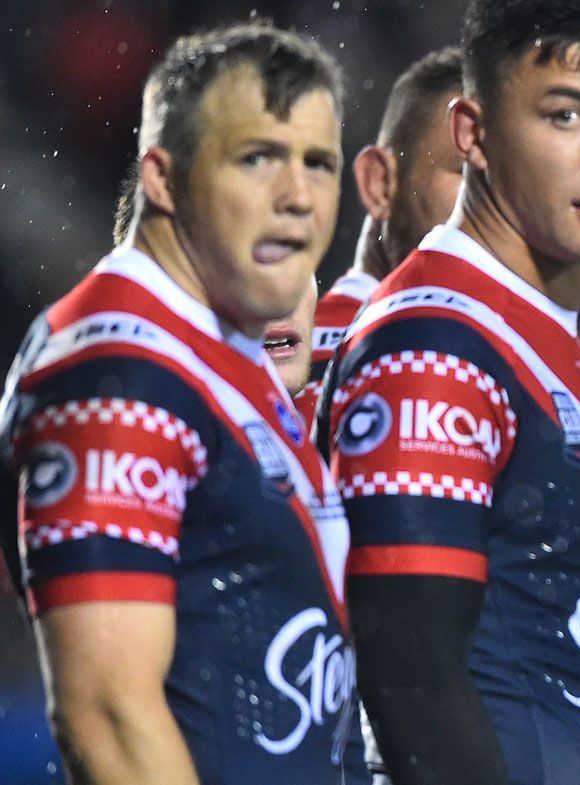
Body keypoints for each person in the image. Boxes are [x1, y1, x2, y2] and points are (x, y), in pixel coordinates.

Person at [0, 23, 363, 785]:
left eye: (318, 164)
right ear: (162, 179)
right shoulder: (118, 366)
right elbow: (109, 716)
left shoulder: (223, 366)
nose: (298, 196)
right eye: (257, 158)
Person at [320, 1, 580, 784]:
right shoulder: (435, 339)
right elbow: (411, 675)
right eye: (565, 114)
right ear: (472, 133)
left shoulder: (531, 332)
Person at [297, 46, 468, 426]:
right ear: (380, 183)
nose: (496, 204)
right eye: (469, 172)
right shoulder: (298, 364)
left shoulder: (528, 358)